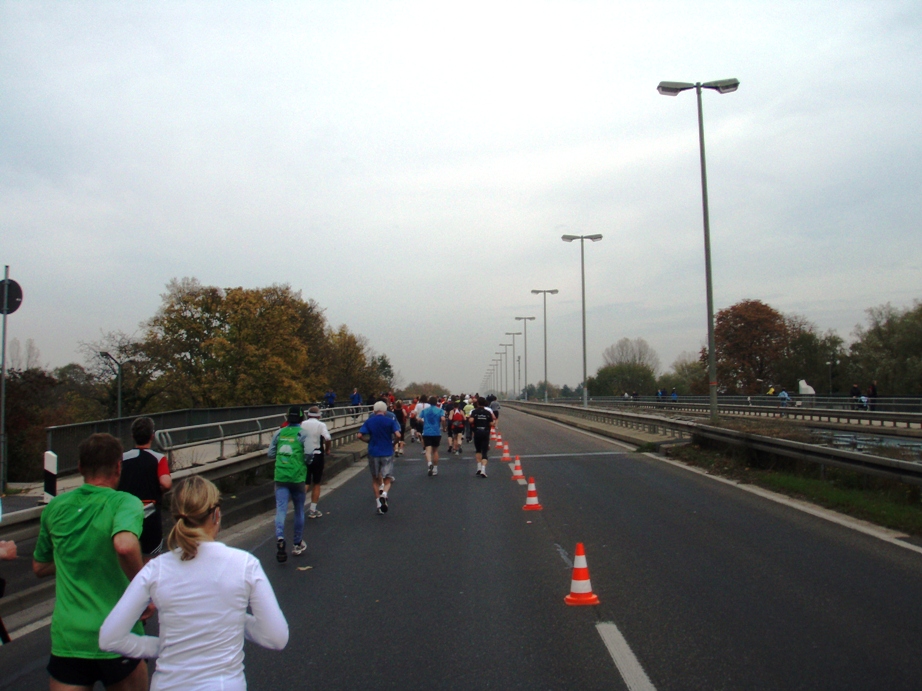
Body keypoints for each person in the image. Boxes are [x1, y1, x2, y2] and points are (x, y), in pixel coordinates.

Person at [100, 476, 288, 690]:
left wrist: (160, 647)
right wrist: (237, 619)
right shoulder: (245, 565)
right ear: (216, 514)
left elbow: (109, 638)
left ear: (175, 517)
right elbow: (276, 637)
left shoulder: (157, 569)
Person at [33, 432, 149, 691]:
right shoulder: (125, 503)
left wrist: (73, 555)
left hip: (70, 640)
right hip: (119, 635)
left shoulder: (56, 507)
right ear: (119, 467)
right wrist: (145, 591)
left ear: (80, 468)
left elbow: (39, 567)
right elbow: (125, 545)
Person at [119, 417, 172, 558]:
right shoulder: (158, 458)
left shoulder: (121, 458)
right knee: (151, 559)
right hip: (150, 514)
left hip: (126, 514)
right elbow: (166, 483)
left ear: (132, 437)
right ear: (152, 436)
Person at [267, 407, 310, 562]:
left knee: (281, 510)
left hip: (281, 476)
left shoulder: (279, 433)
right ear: (301, 419)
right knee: (299, 510)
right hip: (297, 477)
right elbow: (310, 454)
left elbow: (270, 453)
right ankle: (297, 543)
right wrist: (305, 462)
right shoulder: (303, 434)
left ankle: (280, 538)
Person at [358, 401, 401, 514]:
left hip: (373, 451)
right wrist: (393, 443)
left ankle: (378, 504)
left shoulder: (369, 421)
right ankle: (384, 494)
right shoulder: (389, 421)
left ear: (374, 411)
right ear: (385, 411)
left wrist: (367, 441)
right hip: (387, 451)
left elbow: (359, 435)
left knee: (375, 479)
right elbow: (398, 435)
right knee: (387, 478)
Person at [300, 406, 333, 520]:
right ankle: (312, 509)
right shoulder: (321, 425)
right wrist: (327, 449)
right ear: (319, 415)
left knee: (305, 480)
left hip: (304, 453)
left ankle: (299, 507)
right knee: (317, 482)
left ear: (308, 415)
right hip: (317, 454)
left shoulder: (302, 424)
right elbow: (327, 438)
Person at [468, 398, 496, 478]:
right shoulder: (487, 412)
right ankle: (483, 470)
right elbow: (491, 423)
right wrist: (492, 423)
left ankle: (478, 468)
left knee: (478, 450)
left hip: (477, 432)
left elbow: (471, 421)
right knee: (484, 452)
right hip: (485, 433)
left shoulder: (474, 412)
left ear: (477, 404)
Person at [419, 396, 446, 476]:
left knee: (428, 450)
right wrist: (444, 427)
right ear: (436, 402)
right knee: (435, 451)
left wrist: (424, 424)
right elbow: (443, 419)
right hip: (436, 432)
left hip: (426, 432)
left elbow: (419, 419)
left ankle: (429, 463)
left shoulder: (424, 411)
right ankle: (435, 469)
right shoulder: (440, 410)